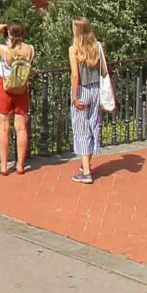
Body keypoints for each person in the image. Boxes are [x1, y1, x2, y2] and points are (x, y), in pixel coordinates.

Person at [0, 22, 34, 174]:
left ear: (9, 34)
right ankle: (20, 165)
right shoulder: (30, 49)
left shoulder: (4, 50)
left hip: (4, 87)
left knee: (3, 128)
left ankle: (4, 166)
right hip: (21, 89)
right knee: (21, 128)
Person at [67, 18, 109, 185]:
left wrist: (74, 97)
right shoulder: (97, 46)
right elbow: (104, 70)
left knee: (81, 129)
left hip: (83, 90)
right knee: (93, 125)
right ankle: (86, 163)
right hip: (96, 89)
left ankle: (86, 172)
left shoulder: (74, 49)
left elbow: (75, 75)